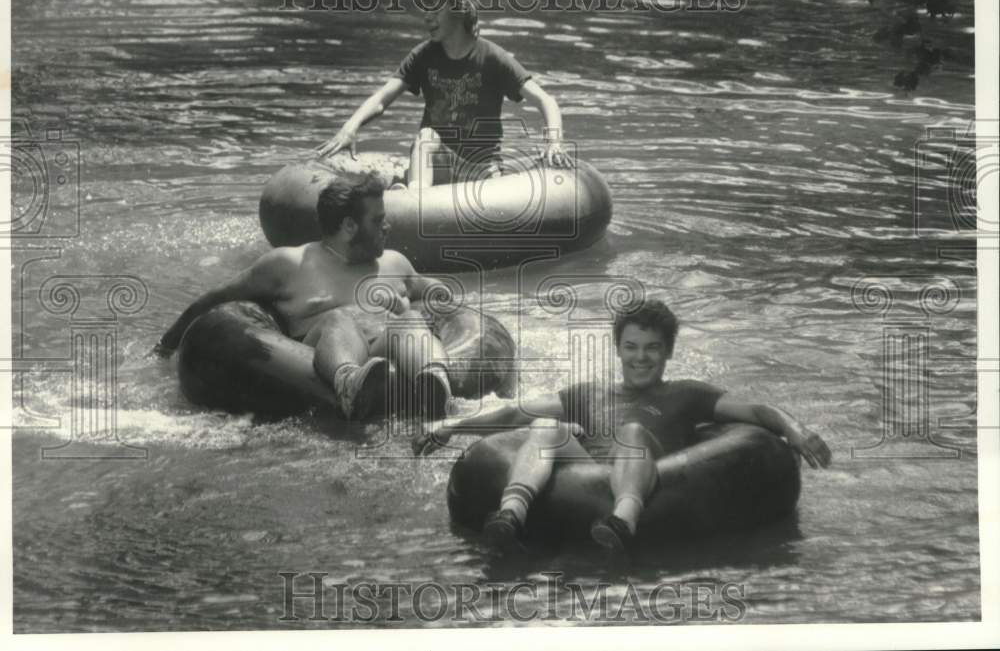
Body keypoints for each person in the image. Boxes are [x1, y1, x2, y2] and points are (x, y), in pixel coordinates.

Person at [413, 298, 831, 558]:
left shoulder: (687, 394)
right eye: (631, 347)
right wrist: (452, 425)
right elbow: (513, 414)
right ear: (618, 350)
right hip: (589, 472)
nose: (641, 358)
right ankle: (510, 515)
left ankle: (623, 521)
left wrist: (797, 432)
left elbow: (756, 411)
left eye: (652, 348)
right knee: (544, 425)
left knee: (631, 432)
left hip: (649, 475)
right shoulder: (590, 393)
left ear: (667, 352)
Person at [156, 172, 453, 421]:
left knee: (410, 321)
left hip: (383, 355)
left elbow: (440, 295)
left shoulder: (395, 263)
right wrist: (164, 349)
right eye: (378, 221)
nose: (387, 226)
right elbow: (214, 299)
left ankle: (437, 390)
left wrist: (405, 308)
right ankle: (350, 385)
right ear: (349, 226)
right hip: (322, 362)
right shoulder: (289, 265)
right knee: (337, 318)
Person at [315, 0, 572, 187]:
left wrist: (554, 144)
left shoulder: (492, 57)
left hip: (481, 167)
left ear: (459, 10)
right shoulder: (424, 55)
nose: (427, 16)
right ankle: (416, 199)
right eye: (425, 9)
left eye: (435, 9)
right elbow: (382, 98)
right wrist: (349, 129)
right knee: (427, 137)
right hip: (437, 161)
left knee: (487, 185)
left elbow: (545, 101)